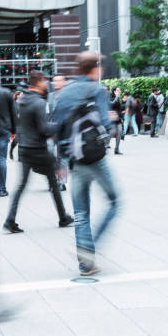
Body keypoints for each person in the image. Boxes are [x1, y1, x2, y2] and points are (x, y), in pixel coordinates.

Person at [54, 51, 120, 276]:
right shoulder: (96, 90)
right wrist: (110, 121)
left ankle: (85, 265)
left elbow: (58, 130)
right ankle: (91, 250)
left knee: (81, 213)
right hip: (96, 159)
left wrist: (62, 161)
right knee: (115, 201)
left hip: (75, 159)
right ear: (95, 68)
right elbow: (105, 126)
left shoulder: (62, 94)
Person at [3, 71, 74, 234]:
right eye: (45, 81)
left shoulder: (23, 99)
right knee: (54, 184)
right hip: (39, 150)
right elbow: (44, 129)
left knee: (21, 186)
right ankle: (63, 217)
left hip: (24, 149)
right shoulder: (39, 102)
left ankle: (10, 220)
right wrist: (57, 126)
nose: (46, 84)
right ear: (39, 82)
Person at [9, 91, 23, 160]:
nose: (23, 96)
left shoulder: (24, 103)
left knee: (21, 141)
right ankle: (11, 150)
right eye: (21, 94)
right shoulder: (13, 104)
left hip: (23, 124)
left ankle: (20, 157)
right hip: (16, 124)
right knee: (16, 141)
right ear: (17, 96)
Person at [110, 87, 123, 155]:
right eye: (118, 90)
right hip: (112, 119)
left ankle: (116, 149)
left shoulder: (118, 99)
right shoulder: (111, 98)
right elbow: (112, 105)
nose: (119, 91)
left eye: (119, 90)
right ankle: (104, 146)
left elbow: (119, 109)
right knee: (112, 133)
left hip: (118, 119)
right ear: (114, 91)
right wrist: (116, 97)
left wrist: (121, 117)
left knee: (119, 132)